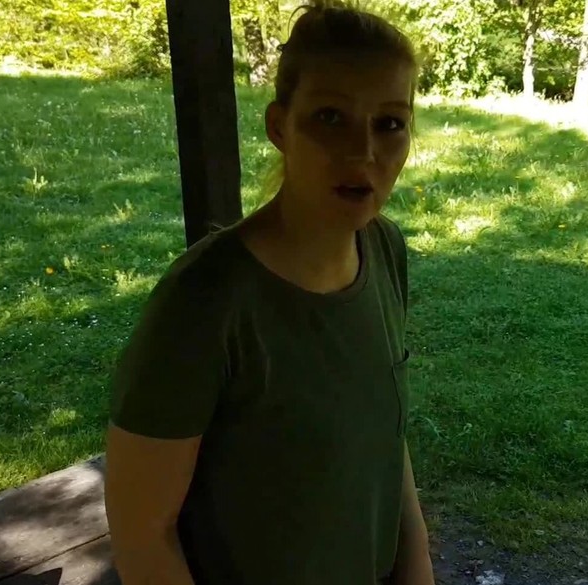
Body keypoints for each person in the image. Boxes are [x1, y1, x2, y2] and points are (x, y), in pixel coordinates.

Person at [103, 1, 434, 584]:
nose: (364, 152)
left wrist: (417, 568)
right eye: (330, 117)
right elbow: (142, 535)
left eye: (389, 123)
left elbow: (385, 442)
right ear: (280, 127)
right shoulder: (204, 301)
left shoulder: (383, 250)